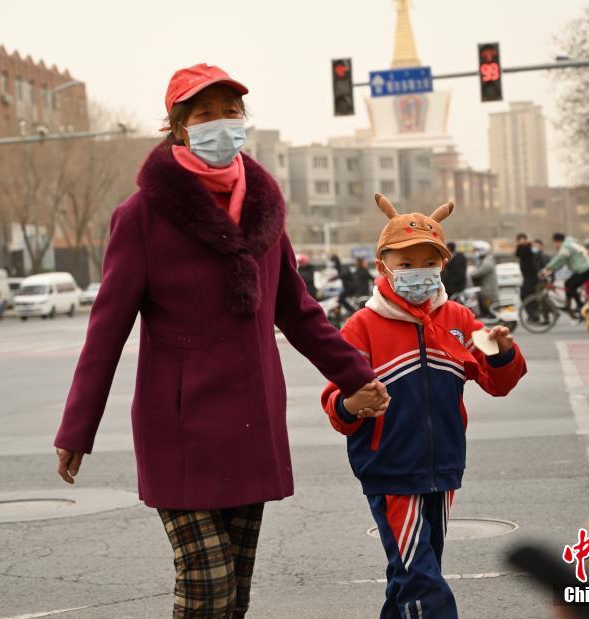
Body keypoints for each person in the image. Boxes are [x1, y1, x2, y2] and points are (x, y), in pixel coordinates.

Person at [53, 63, 389, 618]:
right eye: (204, 113)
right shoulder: (140, 216)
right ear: (178, 127)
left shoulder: (265, 211)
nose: (220, 123)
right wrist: (77, 427)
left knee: (233, 591)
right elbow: (106, 330)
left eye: (230, 112)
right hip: (178, 427)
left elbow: (298, 312)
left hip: (251, 420)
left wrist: (357, 373)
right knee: (206, 583)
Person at [321, 194, 527, 619]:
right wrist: (350, 403)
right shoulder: (361, 326)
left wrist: (504, 353)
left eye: (428, 263)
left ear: (442, 266)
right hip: (390, 470)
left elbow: (497, 383)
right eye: (406, 263)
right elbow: (335, 402)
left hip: (446, 467)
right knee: (422, 582)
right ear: (383, 266)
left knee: (410, 575)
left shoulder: (459, 318)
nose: (418, 273)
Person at [541, 233, 589, 316]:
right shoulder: (570, 243)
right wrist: (548, 272)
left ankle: (580, 306)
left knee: (571, 286)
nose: (554, 245)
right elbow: (559, 264)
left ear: (558, 241)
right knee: (567, 283)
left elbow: (558, 260)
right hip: (584, 269)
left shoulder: (566, 247)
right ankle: (568, 305)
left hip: (586, 270)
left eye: (554, 243)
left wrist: (544, 271)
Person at [470, 240, 498, 316]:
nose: (474, 252)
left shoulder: (488, 260)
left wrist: (470, 274)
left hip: (488, 289)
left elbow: (480, 271)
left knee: (487, 305)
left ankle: (488, 315)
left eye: (476, 250)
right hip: (484, 287)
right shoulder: (482, 260)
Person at [515, 233, 539, 302]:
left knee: (529, 289)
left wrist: (529, 245)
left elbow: (533, 252)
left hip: (531, 272)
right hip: (526, 273)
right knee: (527, 289)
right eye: (520, 240)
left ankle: (532, 302)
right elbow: (518, 253)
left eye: (523, 239)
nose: (522, 241)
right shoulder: (520, 248)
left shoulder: (529, 247)